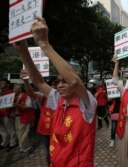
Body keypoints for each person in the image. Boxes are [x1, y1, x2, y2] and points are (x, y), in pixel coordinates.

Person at [14, 16, 97, 166]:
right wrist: (23, 51)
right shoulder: (58, 99)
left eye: (64, 81)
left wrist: (44, 44)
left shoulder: (88, 103)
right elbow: (39, 82)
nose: (59, 85)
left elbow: (74, 81)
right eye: (57, 82)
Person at [12, 83, 35, 158]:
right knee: (19, 133)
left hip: (25, 117)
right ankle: (23, 147)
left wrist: (17, 105)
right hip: (17, 117)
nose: (13, 90)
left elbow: (28, 107)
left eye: (15, 88)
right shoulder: (15, 97)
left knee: (23, 134)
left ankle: (27, 148)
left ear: (19, 89)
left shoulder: (26, 97)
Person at [0, 80, 17, 152]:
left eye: (2, 83)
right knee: (2, 130)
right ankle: (5, 143)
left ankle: (12, 143)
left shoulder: (11, 93)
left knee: (11, 130)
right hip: (0, 114)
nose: (0, 84)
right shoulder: (1, 93)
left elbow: (14, 104)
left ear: (7, 84)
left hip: (7, 114)